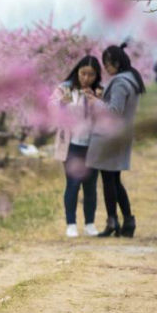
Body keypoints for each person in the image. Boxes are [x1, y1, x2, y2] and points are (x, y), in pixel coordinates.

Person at [86, 43, 145, 238]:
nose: (106, 69)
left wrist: (96, 102)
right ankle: (126, 221)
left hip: (109, 136)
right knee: (114, 181)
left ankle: (115, 222)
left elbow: (114, 111)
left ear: (116, 63)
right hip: (119, 136)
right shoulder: (131, 78)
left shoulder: (120, 82)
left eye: (107, 64)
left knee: (109, 180)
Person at [52, 56, 103, 237]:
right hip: (71, 144)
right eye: (83, 73)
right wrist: (61, 104)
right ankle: (71, 223)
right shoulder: (64, 89)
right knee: (73, 183)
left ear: (96, 76)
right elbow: (49, 109)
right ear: (77, 72)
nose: (86, 78)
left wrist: (97, 102)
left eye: (91, 75)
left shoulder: (99, 92)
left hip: (92, 144)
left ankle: (90, 223)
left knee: (90, 185)